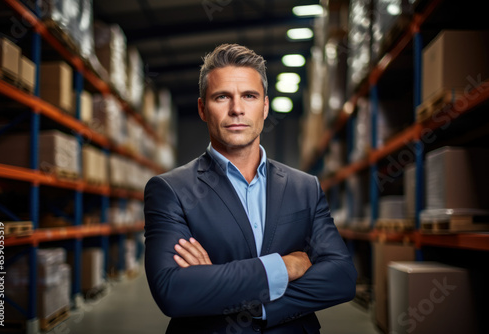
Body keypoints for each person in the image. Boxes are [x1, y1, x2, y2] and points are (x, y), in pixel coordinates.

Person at [144, 43, 357, 334]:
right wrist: (283, 267)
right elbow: (173, 292)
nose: (236, 109)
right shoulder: (170, 190)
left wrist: (239, 297)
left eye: (249, 96)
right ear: (202, 108)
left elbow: (341, 278)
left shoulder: (304, 187)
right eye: (222, 97)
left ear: (265, 106)